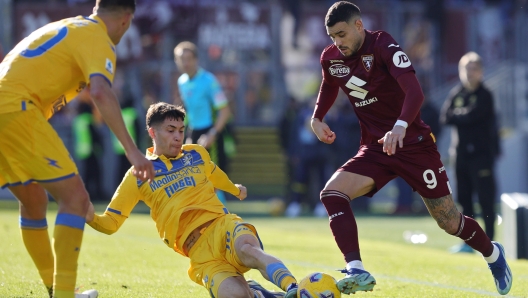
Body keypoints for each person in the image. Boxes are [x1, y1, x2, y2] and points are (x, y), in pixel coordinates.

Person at [310, 2, 512, 295]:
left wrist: (401, 126)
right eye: (332, 37)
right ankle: (356, 268)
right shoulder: (331, 58)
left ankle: (493, 254)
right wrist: (317, 117)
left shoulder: (384, 44)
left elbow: (415, 92)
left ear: (358, 25)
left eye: (341, 34)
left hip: (414, 145)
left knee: (449, 220)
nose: (337, 43)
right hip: (377, 149)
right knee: (332, 194)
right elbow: (329, 83)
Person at [0, 1, 155, 297]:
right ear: (126, 19)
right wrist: (133, 151)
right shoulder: (98, 37)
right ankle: (64, 294)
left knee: (33, 201)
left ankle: (55, 289)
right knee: (75, 199)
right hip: (17, 109)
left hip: (5, 107)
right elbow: (100, 91)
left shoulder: (71, 25)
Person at [85, 102, 299, 298]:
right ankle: (259, 293)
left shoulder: (196, 154)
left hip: (222, 225)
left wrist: (234, 189)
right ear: (152, 132)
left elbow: (215, 174)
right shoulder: (138, 175)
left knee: (247, 250)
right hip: (199, 253)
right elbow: (111, 223)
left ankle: (294, 290)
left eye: (181, 130)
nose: (178, 137)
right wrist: (89, 217)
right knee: (237, 295)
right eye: (170, 131)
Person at [440, 51, 500, 254]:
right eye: (466, 69)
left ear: (481, 72)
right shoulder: (457, 93)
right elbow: (445, 117)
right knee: (464, 200)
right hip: (460, 155)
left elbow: (475, 115)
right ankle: (469, 243)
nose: (470, 73)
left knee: (485, 200)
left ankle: (491, 243)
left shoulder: (486, 94)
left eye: (474, 69)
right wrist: (463, 115)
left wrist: (460, 115)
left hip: (482, 156)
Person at [174, 41, 233, 204]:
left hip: (210, 134)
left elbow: (225, 111)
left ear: (196, 60)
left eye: (189, 58)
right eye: (181, 59)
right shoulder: (182, 82)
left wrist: (212, 134)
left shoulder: (208, 81)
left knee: (213, 181)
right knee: (192, 178)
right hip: (193, 132)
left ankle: (224, 221)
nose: (185, 63)